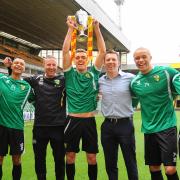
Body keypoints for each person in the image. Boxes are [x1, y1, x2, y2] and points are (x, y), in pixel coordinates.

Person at [3, 56, 66, 180]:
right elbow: (17, 79)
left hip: (58, 127)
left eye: (54, 65)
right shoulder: (35, 79)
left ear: (57, 66)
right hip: (39, 128)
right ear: (44, 66)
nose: (51, 67)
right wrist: (10, 68)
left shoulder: (63, 80)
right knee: (39, 158)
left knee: (59, 159)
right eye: (49, 65)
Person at [62, 16, 106, 180]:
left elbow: (102, 51)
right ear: (75, 60)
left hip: (89, 121)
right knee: (70, 157)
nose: (80, 59)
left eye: (83, 57)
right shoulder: (69, 73)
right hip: (72, 120)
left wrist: (96, 29)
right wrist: (70, 29)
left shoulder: (93, 72)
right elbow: (65, 51)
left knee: (92, 158)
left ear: (87, 59)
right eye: (78, 57)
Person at [130, 47, 179, 180]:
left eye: (143, 56)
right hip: (149, 130)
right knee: (154, 168)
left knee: (170, 169)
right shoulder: (134, 83)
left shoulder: (166, 72)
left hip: (168, 127)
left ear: (150, 57)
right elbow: (131, 105)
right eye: (137, 58)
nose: (140, 60)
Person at [99, 50, 138, 180]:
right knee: (110, 163)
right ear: (104, 63)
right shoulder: (99, 81)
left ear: (118, 62)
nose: (111, 62)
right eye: (108, 60)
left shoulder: (130, 78)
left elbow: (138, 94)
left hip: (125, 124)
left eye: (113, 59)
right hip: (107, 126)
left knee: (130, 161)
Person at [0, 58, 31, 180]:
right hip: (1, 125)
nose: (19, 65)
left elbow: (37, 99)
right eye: (16, 63)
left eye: (21, 64)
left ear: (24, 69)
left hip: (17, 127)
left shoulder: (27, 87)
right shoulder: (2, 80)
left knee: (17, 159)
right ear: (11, 66)